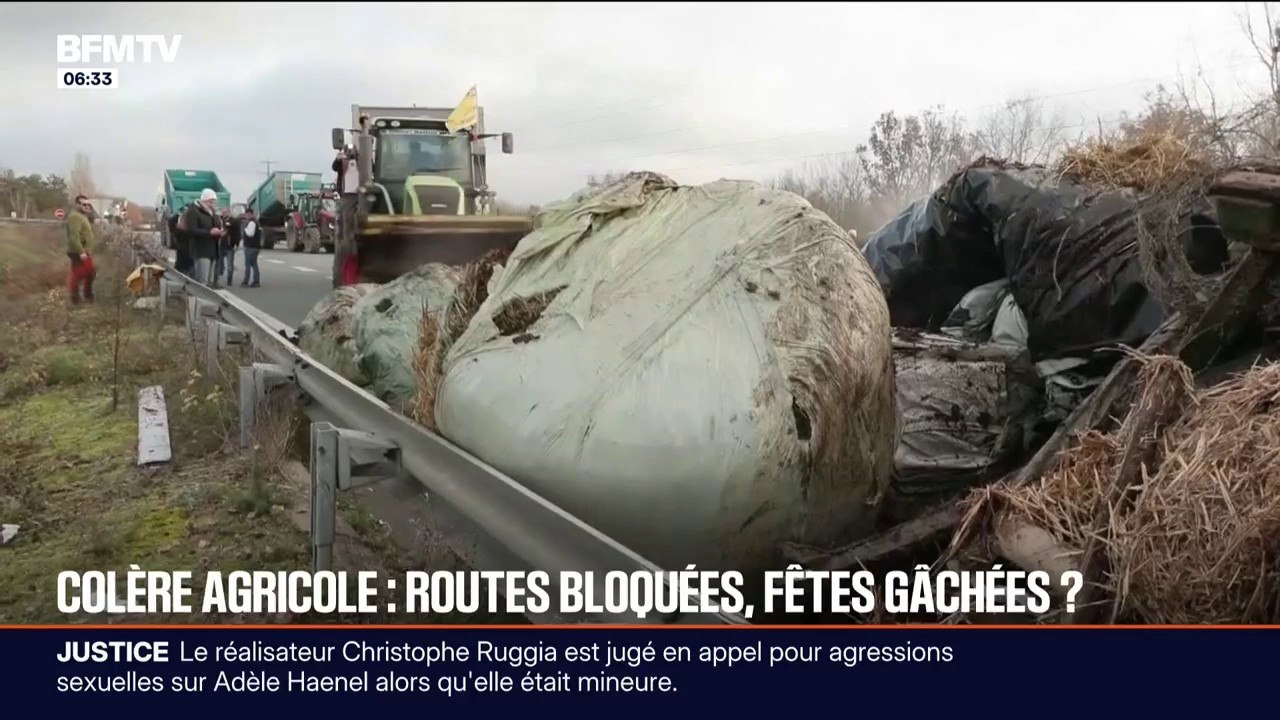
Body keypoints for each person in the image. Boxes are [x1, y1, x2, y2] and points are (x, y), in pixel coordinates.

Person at [332, 141, 361, 287]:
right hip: (346, 195)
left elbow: (372, 168)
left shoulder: (363, 162)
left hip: (360, 194)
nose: (351, 153)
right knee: (345, 219)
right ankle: (347, 239)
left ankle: (357, 235)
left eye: (352, 150)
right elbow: (335, 167)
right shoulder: (342, 163)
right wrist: (338, 158)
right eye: (348, 151)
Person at [184, 189, 225, 286]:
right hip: (201, 250)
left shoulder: (212, 212)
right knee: (202, 280)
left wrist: (219, 232)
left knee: (209, 281)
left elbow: (217, 225)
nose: (213, 204)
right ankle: (199, 299)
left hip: (213, 249)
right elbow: (191, 230)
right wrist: (209, 232)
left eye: (214, 202)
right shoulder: (194, 211)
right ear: (204, 201)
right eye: (210, 201)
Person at [65, 194, 97, 304]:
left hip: (83, 251)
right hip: (78, 251)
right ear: (77, 204)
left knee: (89, 273)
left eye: (88, 205)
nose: (87, 207)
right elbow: (74, 235)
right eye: (84, 204)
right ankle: (79, 298)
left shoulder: (82, 216)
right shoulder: (75, 217)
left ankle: (83, 298)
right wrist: (81, 251)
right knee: (83, 273)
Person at [239, 208, 262, 287]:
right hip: (255, 246)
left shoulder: (252, 222)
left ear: (251, 214)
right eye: (246, 215)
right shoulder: (256, 222)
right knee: (254, 264)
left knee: (248, 264)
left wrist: (244, 229)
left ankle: (246, 281)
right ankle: (256, 281)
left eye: (248, 215)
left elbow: (250, 234)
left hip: (250, 246)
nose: (247, 216)